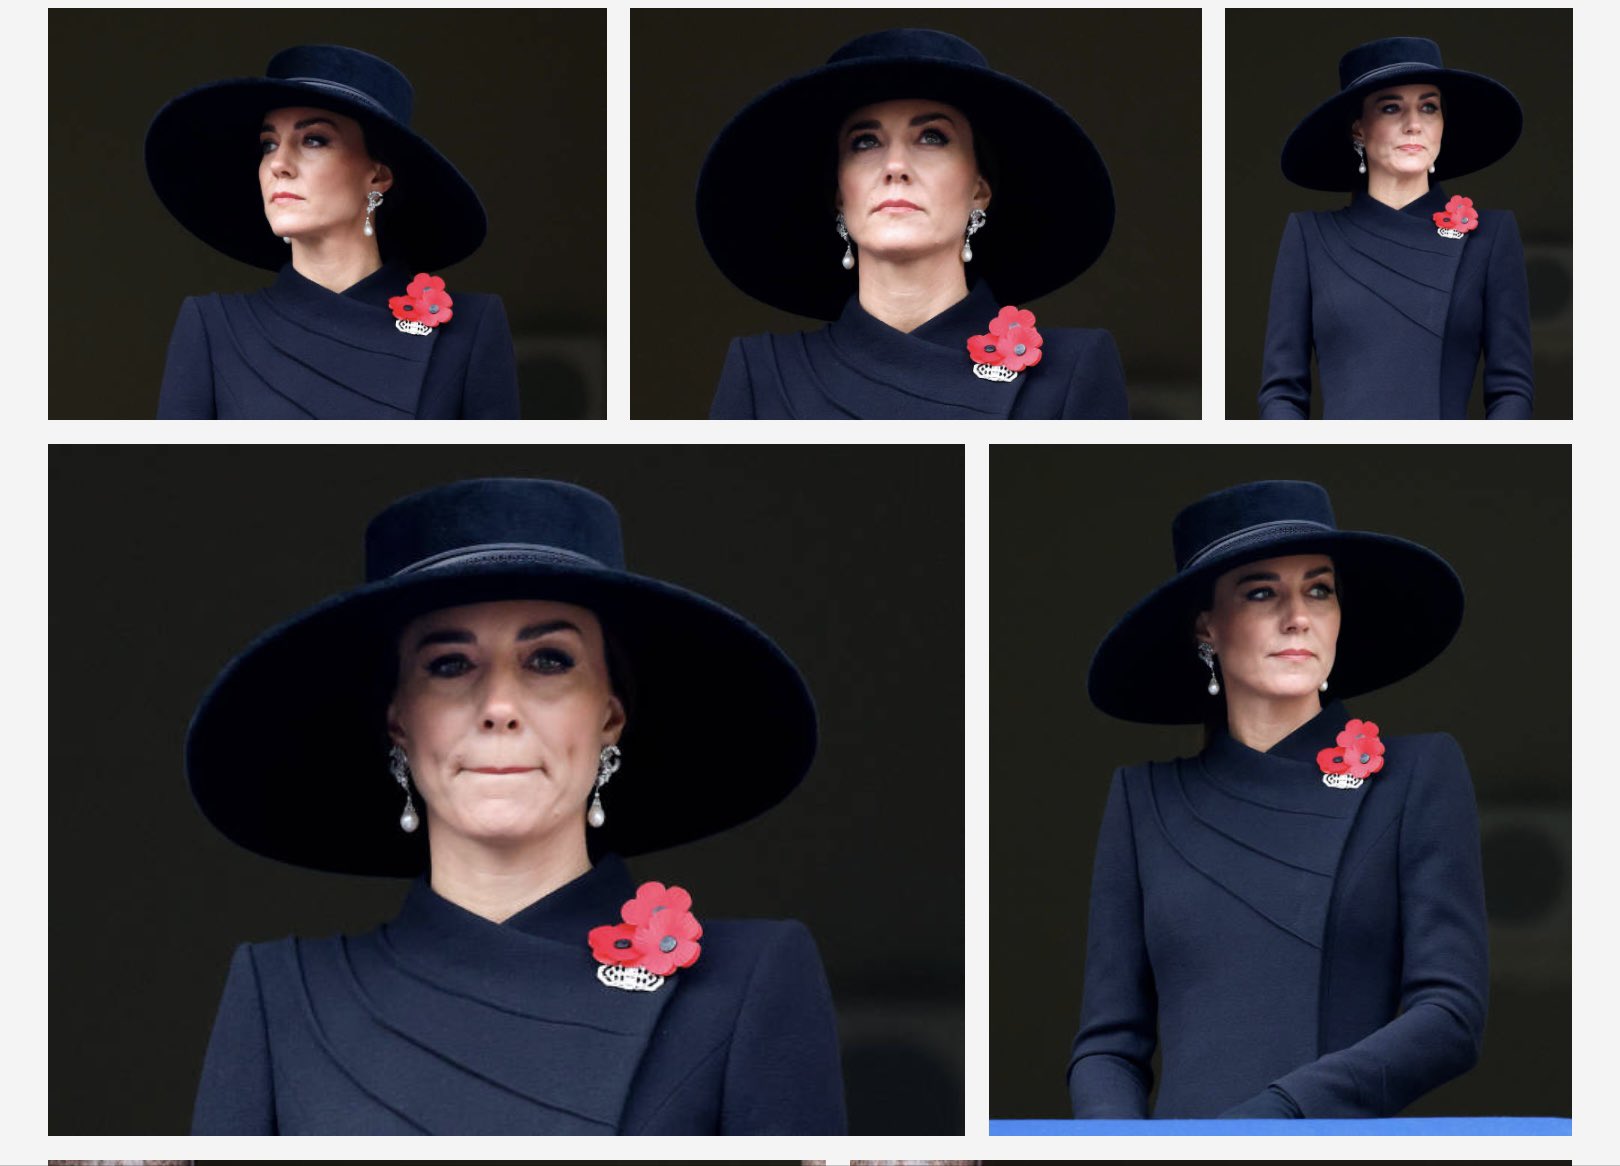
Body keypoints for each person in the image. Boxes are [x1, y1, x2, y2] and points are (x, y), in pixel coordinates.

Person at [185, 478, 845, 1133]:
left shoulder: (749, 984)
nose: (499, 707)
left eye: (549, 660)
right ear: (399, 722)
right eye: (449, 665)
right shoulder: (281, 998)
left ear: (610, 716)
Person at [1069, 480, 1488, 1118]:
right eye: (1262, 591)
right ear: (1207, 626)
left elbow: (1451, 1015)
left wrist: (1277, 1120)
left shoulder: (1417, 774)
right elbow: (1108, 1046)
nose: (1299, 615)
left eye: (1319, 589)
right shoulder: (1141, 801)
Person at [697, 28, 1128, 419]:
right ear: (839, 196)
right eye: (865, 142)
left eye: (932, 137)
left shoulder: (1072, 367)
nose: (895, 166)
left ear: (979, 189)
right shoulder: (762, 371)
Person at [147, 45, 520, 418]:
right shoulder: (213, 328)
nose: (278, 163)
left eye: (314, 140)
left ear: (378, 175)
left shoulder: (471, 329)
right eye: (268, 144)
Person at [1260, 37, 1533, 419]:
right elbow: (1282, 392)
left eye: (1429, 107)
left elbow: (1511, 389)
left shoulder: (1491, 235)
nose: (1414, 125)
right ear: (1358, 129)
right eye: (1391, 108)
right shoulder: (1309, 237)